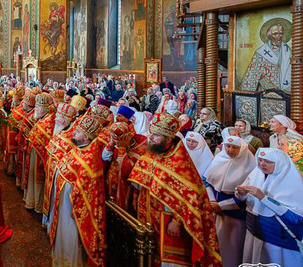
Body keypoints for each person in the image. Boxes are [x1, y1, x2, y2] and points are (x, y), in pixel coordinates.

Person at [129, 113, 221, 266]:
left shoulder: (180, 163)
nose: (150, 137)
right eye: (151, 133)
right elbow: (139, 180)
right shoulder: (152, 153)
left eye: (156, 135)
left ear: (168, 138)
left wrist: (177, 221)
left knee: (170, 261)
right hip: (147, 216)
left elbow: (188, 197)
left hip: (168, 222)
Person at [46, 115, 106, 267]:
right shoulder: (79, 150)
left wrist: (77, 206)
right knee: (62, 234)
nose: (73, 132)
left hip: (72, 208)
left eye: (78, 131)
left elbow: (87, 190)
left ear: (85, 137)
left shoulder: (89, 159)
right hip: (63, 203)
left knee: (69, 236)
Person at [236, 148, 303, 266]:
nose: (262, 164)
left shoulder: (292, 183)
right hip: (255, 233)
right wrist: (240, 194)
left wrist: (264, 198)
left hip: (279, 240)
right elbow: (247, 201)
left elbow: (296, 217)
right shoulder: (256, 173)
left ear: (280, 164)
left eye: (268, 161)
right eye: (260, 160)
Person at [203, 134, 256, 267]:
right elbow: (208, 182)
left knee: (231, 247)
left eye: (234, 147)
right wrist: (212, 203)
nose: (230, 150)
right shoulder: (219, 159)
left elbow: (248, 194)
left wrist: (222, 206)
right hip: (214, 208)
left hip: (234, 214)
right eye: (228, 146)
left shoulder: (250, 165)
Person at [22, 93, 55, 212]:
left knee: (37, 181)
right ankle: (31, 201)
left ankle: (37, 204)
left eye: (37, 107)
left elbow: (45, 140)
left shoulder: (48, 121)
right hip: (33, 153)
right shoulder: (42, 119)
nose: (35, 109)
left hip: (38, 156)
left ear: (43, 109)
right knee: (32, 179)